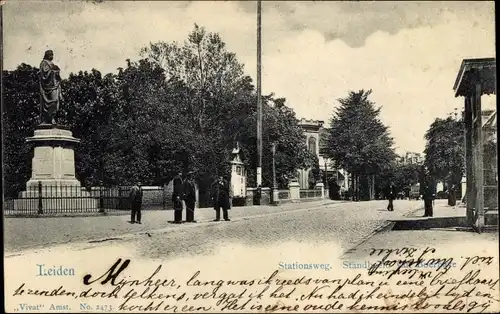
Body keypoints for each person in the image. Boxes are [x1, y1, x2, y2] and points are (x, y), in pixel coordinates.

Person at [39, 50, 64, 125]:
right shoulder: (44, 63)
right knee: (53, 100)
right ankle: (48, 119)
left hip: (54, 85)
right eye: (50, 55)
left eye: (52, 55)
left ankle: (53, 118)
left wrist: (56, 71)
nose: (52, 56)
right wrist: (53, 71)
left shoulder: (51, 63)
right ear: (47, 55)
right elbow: (44, 73)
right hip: (47, 86)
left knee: (56, 101)